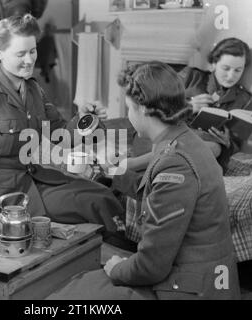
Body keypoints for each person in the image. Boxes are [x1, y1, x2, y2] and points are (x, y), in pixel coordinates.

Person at [48, 61, 241, 300]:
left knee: (69, 294)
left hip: (190, 288)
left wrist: (116, 267)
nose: (128, 115)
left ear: (142, 109)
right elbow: (155, 195)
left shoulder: (176, 164)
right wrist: (109, 172)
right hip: (203, 276)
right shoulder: (184, 140)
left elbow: (151, 266)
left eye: (128, 108)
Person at [0, 14, 127, 247]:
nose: (29, 60)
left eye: (32, 51)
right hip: (5, 196)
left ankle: (123, 257)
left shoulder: (33, 89)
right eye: (20, 54)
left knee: (101, 192)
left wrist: (85, 118)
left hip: (36, 177)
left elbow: (61, 134)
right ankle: (124, 258)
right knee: (95, 202)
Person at [127, 37, 252, 174]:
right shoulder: (190, 76)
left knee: (215, 148)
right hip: (169, 132)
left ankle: (145, 165)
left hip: (203, 145)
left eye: (238, 70)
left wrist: (227, 142)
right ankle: (134, 164)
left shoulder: (245, 99)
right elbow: (153, 102)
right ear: (213, 65)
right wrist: (187, 106)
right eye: (226, 68)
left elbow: (236, 145)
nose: (231, 76)